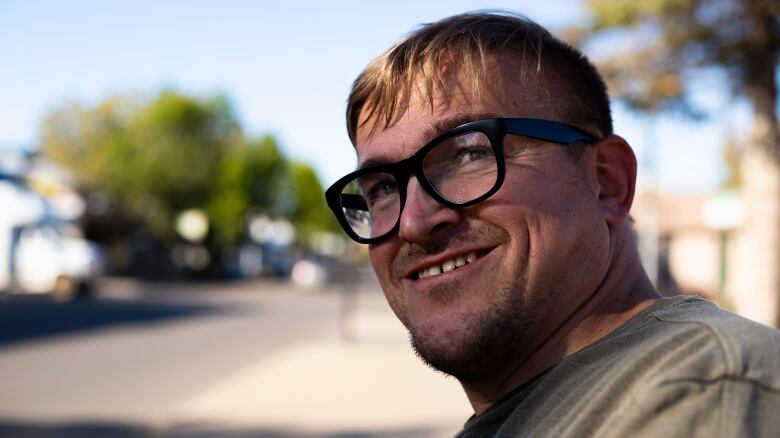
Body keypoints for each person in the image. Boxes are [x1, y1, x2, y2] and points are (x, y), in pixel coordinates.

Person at [325, 11, 780, 437]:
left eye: (469, 154)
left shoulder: (706, 392)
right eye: (382, 187)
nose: (413, 222)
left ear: (606, 182)